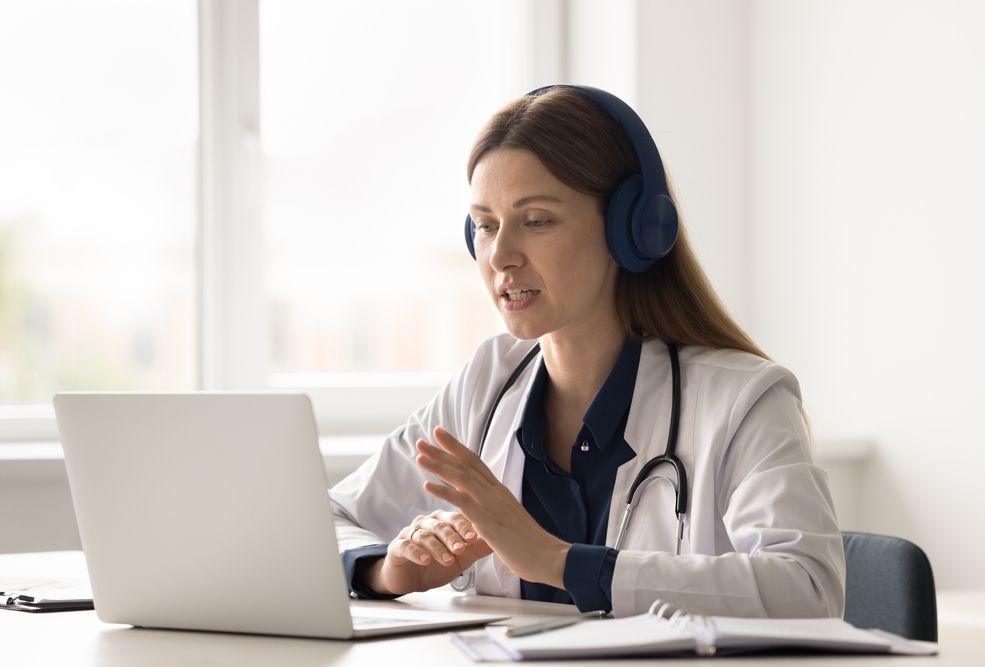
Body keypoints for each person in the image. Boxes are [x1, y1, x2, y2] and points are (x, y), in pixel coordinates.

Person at [328, 85, 845, 619]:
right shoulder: (486, 383)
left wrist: (558, 561)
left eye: (537, 220)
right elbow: (324, 518)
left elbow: (807, 587)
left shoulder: (741, 399)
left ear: (633, 229)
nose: (501, 255)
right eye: (485, 225)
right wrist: (388, 570)